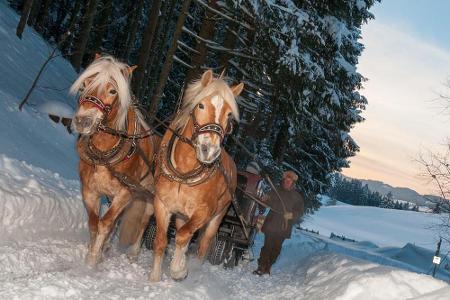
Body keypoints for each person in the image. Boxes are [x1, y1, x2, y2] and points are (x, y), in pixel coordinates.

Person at [253, 170, 304, 275]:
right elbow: (266, 202)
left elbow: (300, 212)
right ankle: (261, 266)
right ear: (284, 180)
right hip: (271, 222)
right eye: (286, 180)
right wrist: (264, 199)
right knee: (267, 246)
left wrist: (291, 215)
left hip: (284, 226)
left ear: (293, 183)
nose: (287, 182)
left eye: (289, 181)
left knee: (276, 249)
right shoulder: (275, 190)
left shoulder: (297, 196)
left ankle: (268, 266)